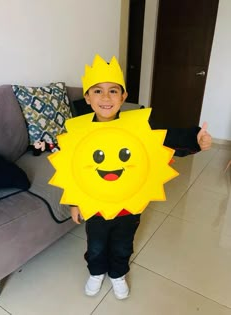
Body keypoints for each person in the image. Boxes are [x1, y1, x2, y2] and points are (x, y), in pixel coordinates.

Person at [70, 54, 212, 300]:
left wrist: (195, 139)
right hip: (95, 207)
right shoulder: (77, 130)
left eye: (113, 91)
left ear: (123, 97)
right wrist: (73, 201)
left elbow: (167, 140)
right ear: (87, 98)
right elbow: (71, 168)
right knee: (96, 244)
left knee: (123, 243)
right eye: (98, 91)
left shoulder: (138, 126)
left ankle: (117, 273)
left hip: (129, 206)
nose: (106, 97)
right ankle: (96, 272)